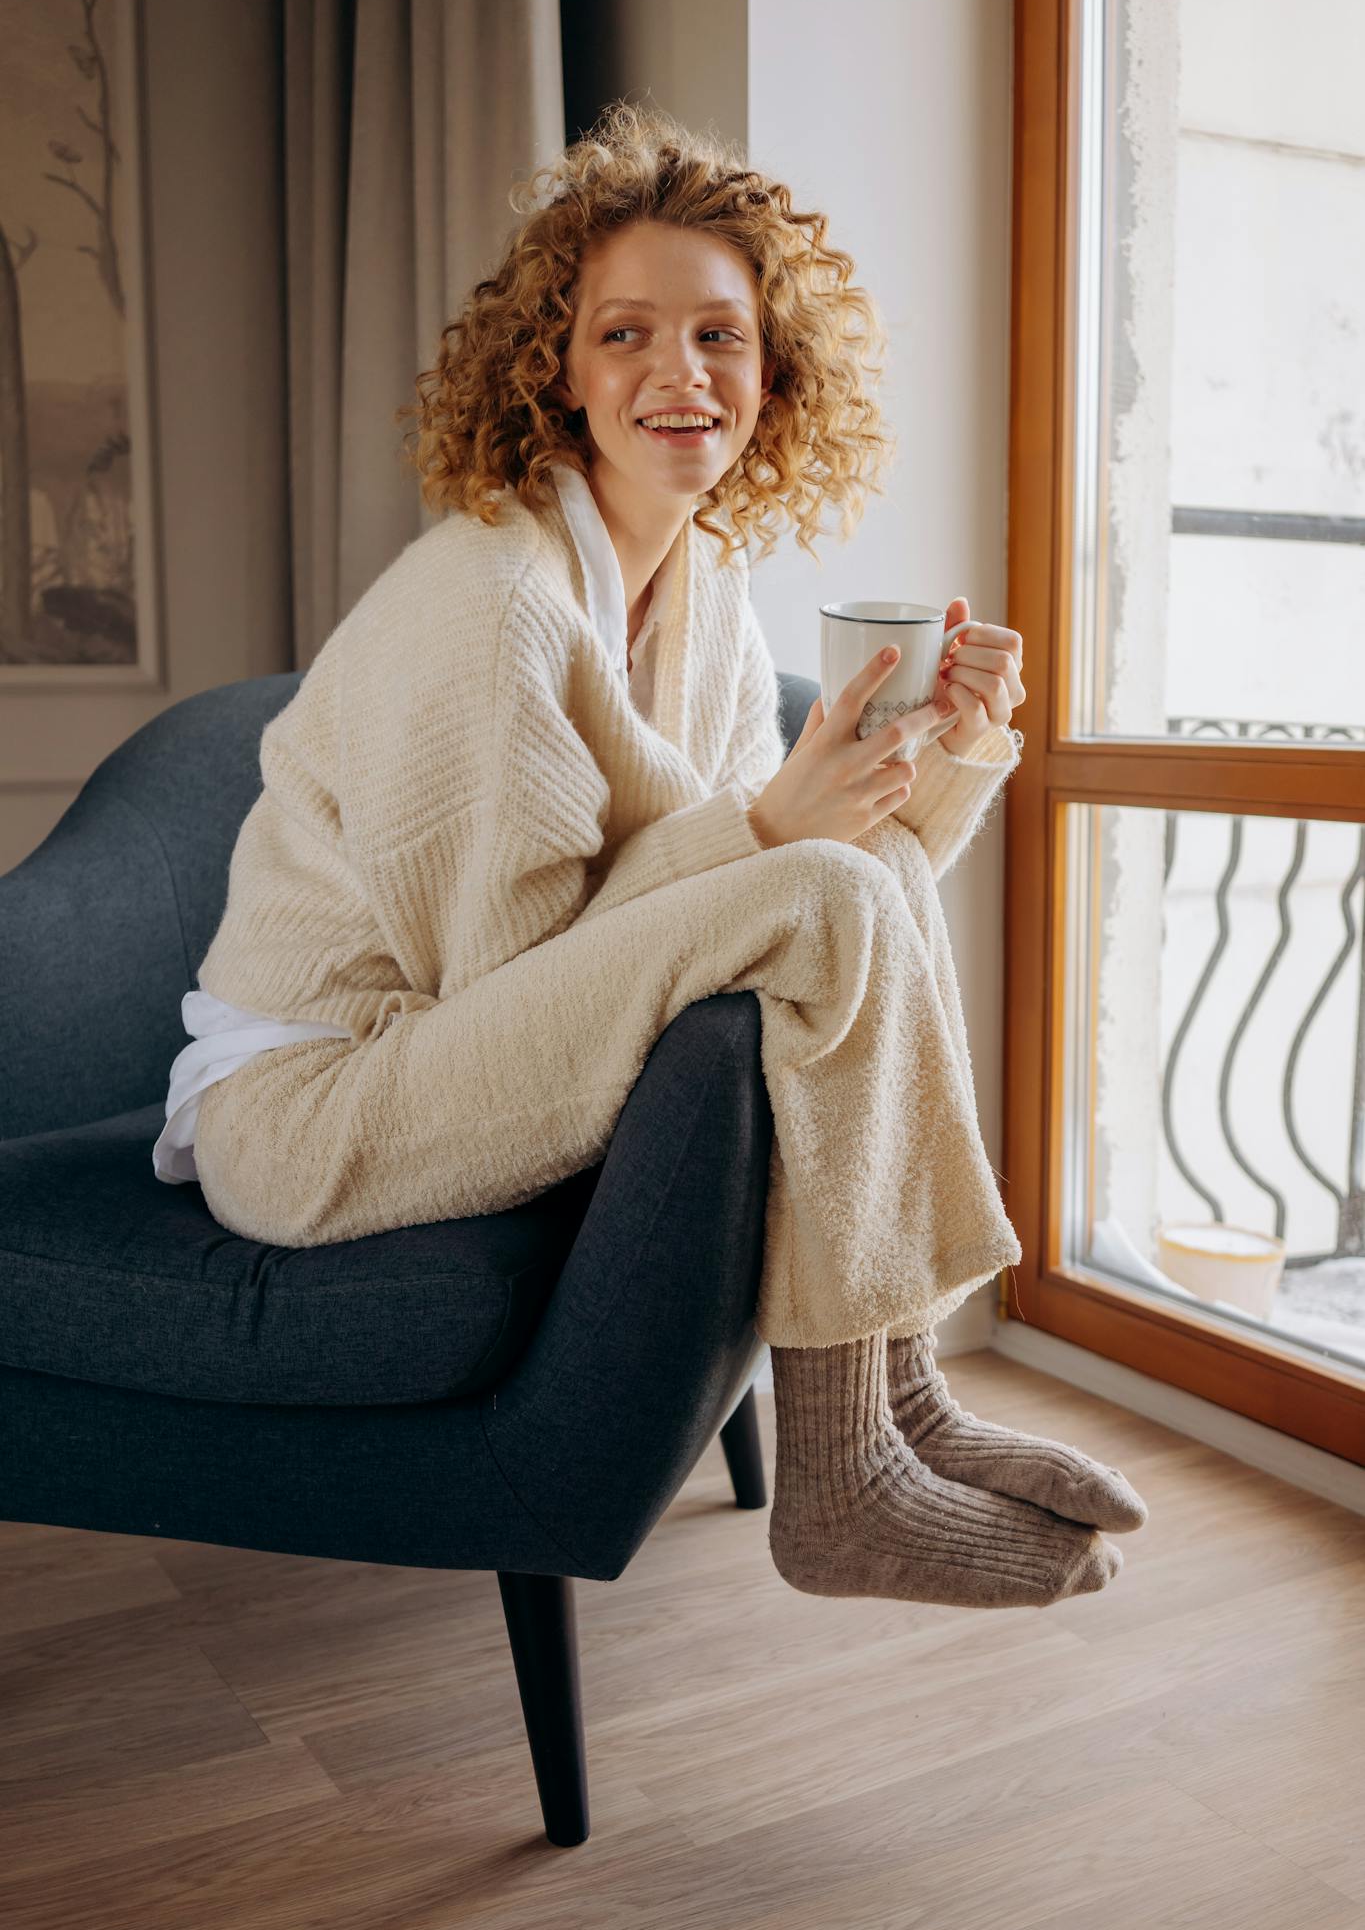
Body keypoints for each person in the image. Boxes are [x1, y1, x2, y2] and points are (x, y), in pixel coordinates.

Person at [169, 100, 1146, 1609]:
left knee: (850, 882)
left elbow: (823, 923)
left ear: (775, 373)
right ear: (552, 366)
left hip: (464, 1040)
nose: (678, 375)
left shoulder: (706, 593)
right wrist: (763, 828)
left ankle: (895, 1395)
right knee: (816, 880)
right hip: (323, 1098)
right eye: (623, 335)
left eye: (718, 338)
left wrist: (951, 746)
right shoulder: (486, 603)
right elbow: (504, 975)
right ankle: (841, 1473)